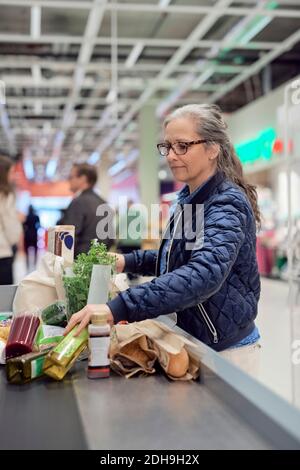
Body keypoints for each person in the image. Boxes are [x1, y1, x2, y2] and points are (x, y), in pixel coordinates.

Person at [65, 104, 261, 376]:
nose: (171, 156)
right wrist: (125, 260)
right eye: (167, 147)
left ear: (213, 148)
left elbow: (203, 273)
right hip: (196, 339)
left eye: (182, 146)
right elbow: (179, 258)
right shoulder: (192, 199)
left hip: (227, 351)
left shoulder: (226, 203)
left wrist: (120, 307)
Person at [58, 163, 113, 257]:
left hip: (79, 263)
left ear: (83, 179)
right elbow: (110, 239)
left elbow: (69, 237)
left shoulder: (78, 202)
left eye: (71, 177)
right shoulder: (104, 203)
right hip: (99, 262)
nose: (68, 180)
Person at [0, 154, 22, 285]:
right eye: (12, 172)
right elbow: (11, 230)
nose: (13, 176)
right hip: (2, 253)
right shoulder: (6, 195)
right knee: (3, 301)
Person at [23, 205, 40, 269]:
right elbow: (39, 225)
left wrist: (26, 230)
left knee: (27, 251)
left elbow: (23, 225)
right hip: (34, 235)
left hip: (27, 235)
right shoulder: (36, 217)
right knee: (35, 250)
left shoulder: (26, 217)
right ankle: (34, 263)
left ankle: (27, 264)